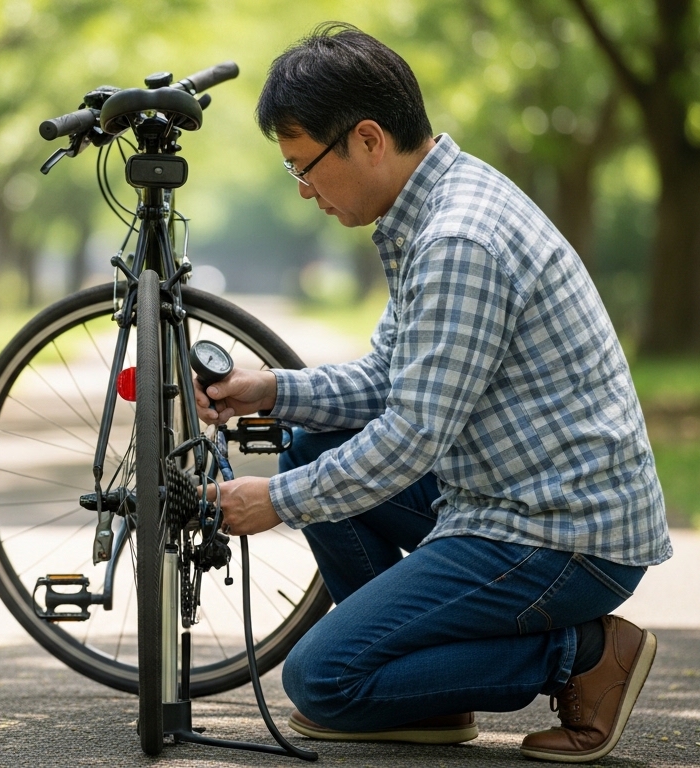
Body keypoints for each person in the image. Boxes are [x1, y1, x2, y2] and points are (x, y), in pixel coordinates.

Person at [194, 22, 671, 764]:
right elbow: (391, 378)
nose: (304, 190)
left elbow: (410, 434)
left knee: (321, 680)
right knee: (311, 446)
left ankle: (582, 655)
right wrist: (271, 391)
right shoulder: (435, 210)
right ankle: (426, 694)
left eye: (304, 166)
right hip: (508, 495)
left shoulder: (458, 238)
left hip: (559, 534)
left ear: (368, 140)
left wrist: (275, 504)